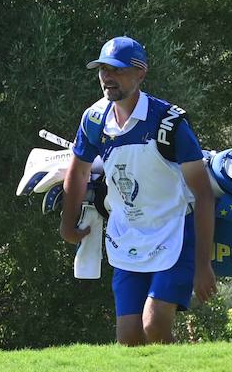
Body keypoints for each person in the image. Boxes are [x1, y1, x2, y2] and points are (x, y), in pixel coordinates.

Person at [59, 36, 216, 345]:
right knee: (129, 337)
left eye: (117, 69)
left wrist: (203, 264)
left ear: (140, 73)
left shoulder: (169, 123)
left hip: (174, 233)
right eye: (103, 69)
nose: (108, 77)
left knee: (154, 325)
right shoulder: (94, 120)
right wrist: (67, 224)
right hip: (126, 235)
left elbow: (204, 193)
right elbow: (78, 172)